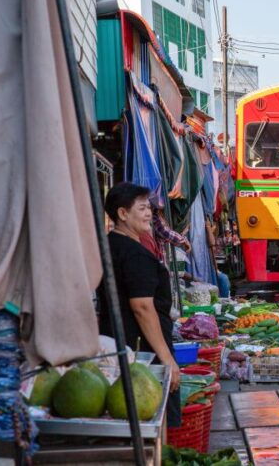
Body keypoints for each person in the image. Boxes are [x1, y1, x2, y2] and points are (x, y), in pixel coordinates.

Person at [98, 182, 182, 426]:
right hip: (142, 351)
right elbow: (143, 307)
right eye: (143, 208)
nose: (149, 214)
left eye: (150, 209)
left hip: (118, 342)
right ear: (122, 214)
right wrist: (166, 360)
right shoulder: (135, 254)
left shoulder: (110, 244)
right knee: (153, 415)